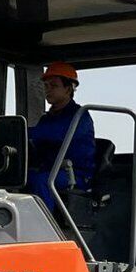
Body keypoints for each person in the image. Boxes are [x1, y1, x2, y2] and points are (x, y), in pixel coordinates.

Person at [25, 62, 97, 207]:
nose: (48, 90)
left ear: (68, 88)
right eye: (46, 86)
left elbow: (56, 134)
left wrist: (22, 132)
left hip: (76, 175)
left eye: (54, 86)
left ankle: (44, 226)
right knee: (20, 178)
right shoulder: (46, 118)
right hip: (51, 170)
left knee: (42, 181)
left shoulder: (80, 115)